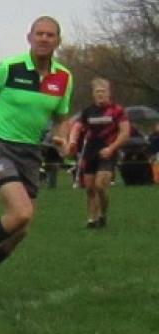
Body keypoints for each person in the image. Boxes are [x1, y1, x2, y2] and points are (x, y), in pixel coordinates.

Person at [0, 17, 72, 294]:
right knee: (20, 213)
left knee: (22, 228)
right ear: (29, 37)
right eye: (39, 33)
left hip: (30, 152)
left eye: (50, 35)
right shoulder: (9, 68)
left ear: (58, 41)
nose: (44, 38)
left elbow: (61, 117)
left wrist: (62, 136)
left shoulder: (63, 77)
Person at [66, 78, 130, 229]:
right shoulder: (88, 111)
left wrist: (112, 148)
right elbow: (77, 127)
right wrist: (72, 142)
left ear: (109, 92)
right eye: (97, 92)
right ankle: (92, 219)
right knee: (89, 189)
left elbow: (125, 133)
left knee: (100, 186)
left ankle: (103, 214)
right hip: (90, 154)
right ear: (93, 94)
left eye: (103, 91)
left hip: (108, 152)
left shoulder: (117, 110)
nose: (100, 94)